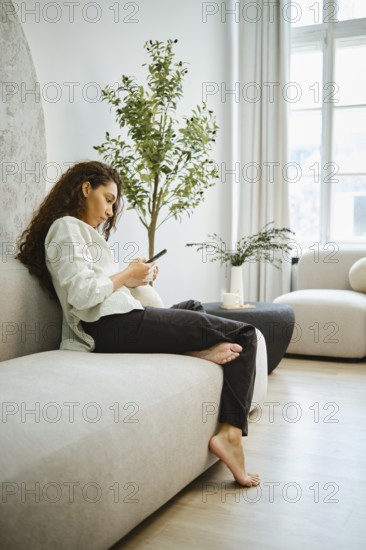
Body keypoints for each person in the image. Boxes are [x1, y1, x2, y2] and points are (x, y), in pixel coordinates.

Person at [16, 160, 260, 488]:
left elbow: (99, 287)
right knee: (244, 333)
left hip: (118, 319)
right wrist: (126, 276)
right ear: (86, 189)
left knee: (193, 307)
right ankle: (230, 435)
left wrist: (133, 279)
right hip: (111, 326)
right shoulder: (65, 228)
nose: (109, 211)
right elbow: (83, 294)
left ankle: (190, 351)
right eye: (109, 199)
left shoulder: (81, 234)